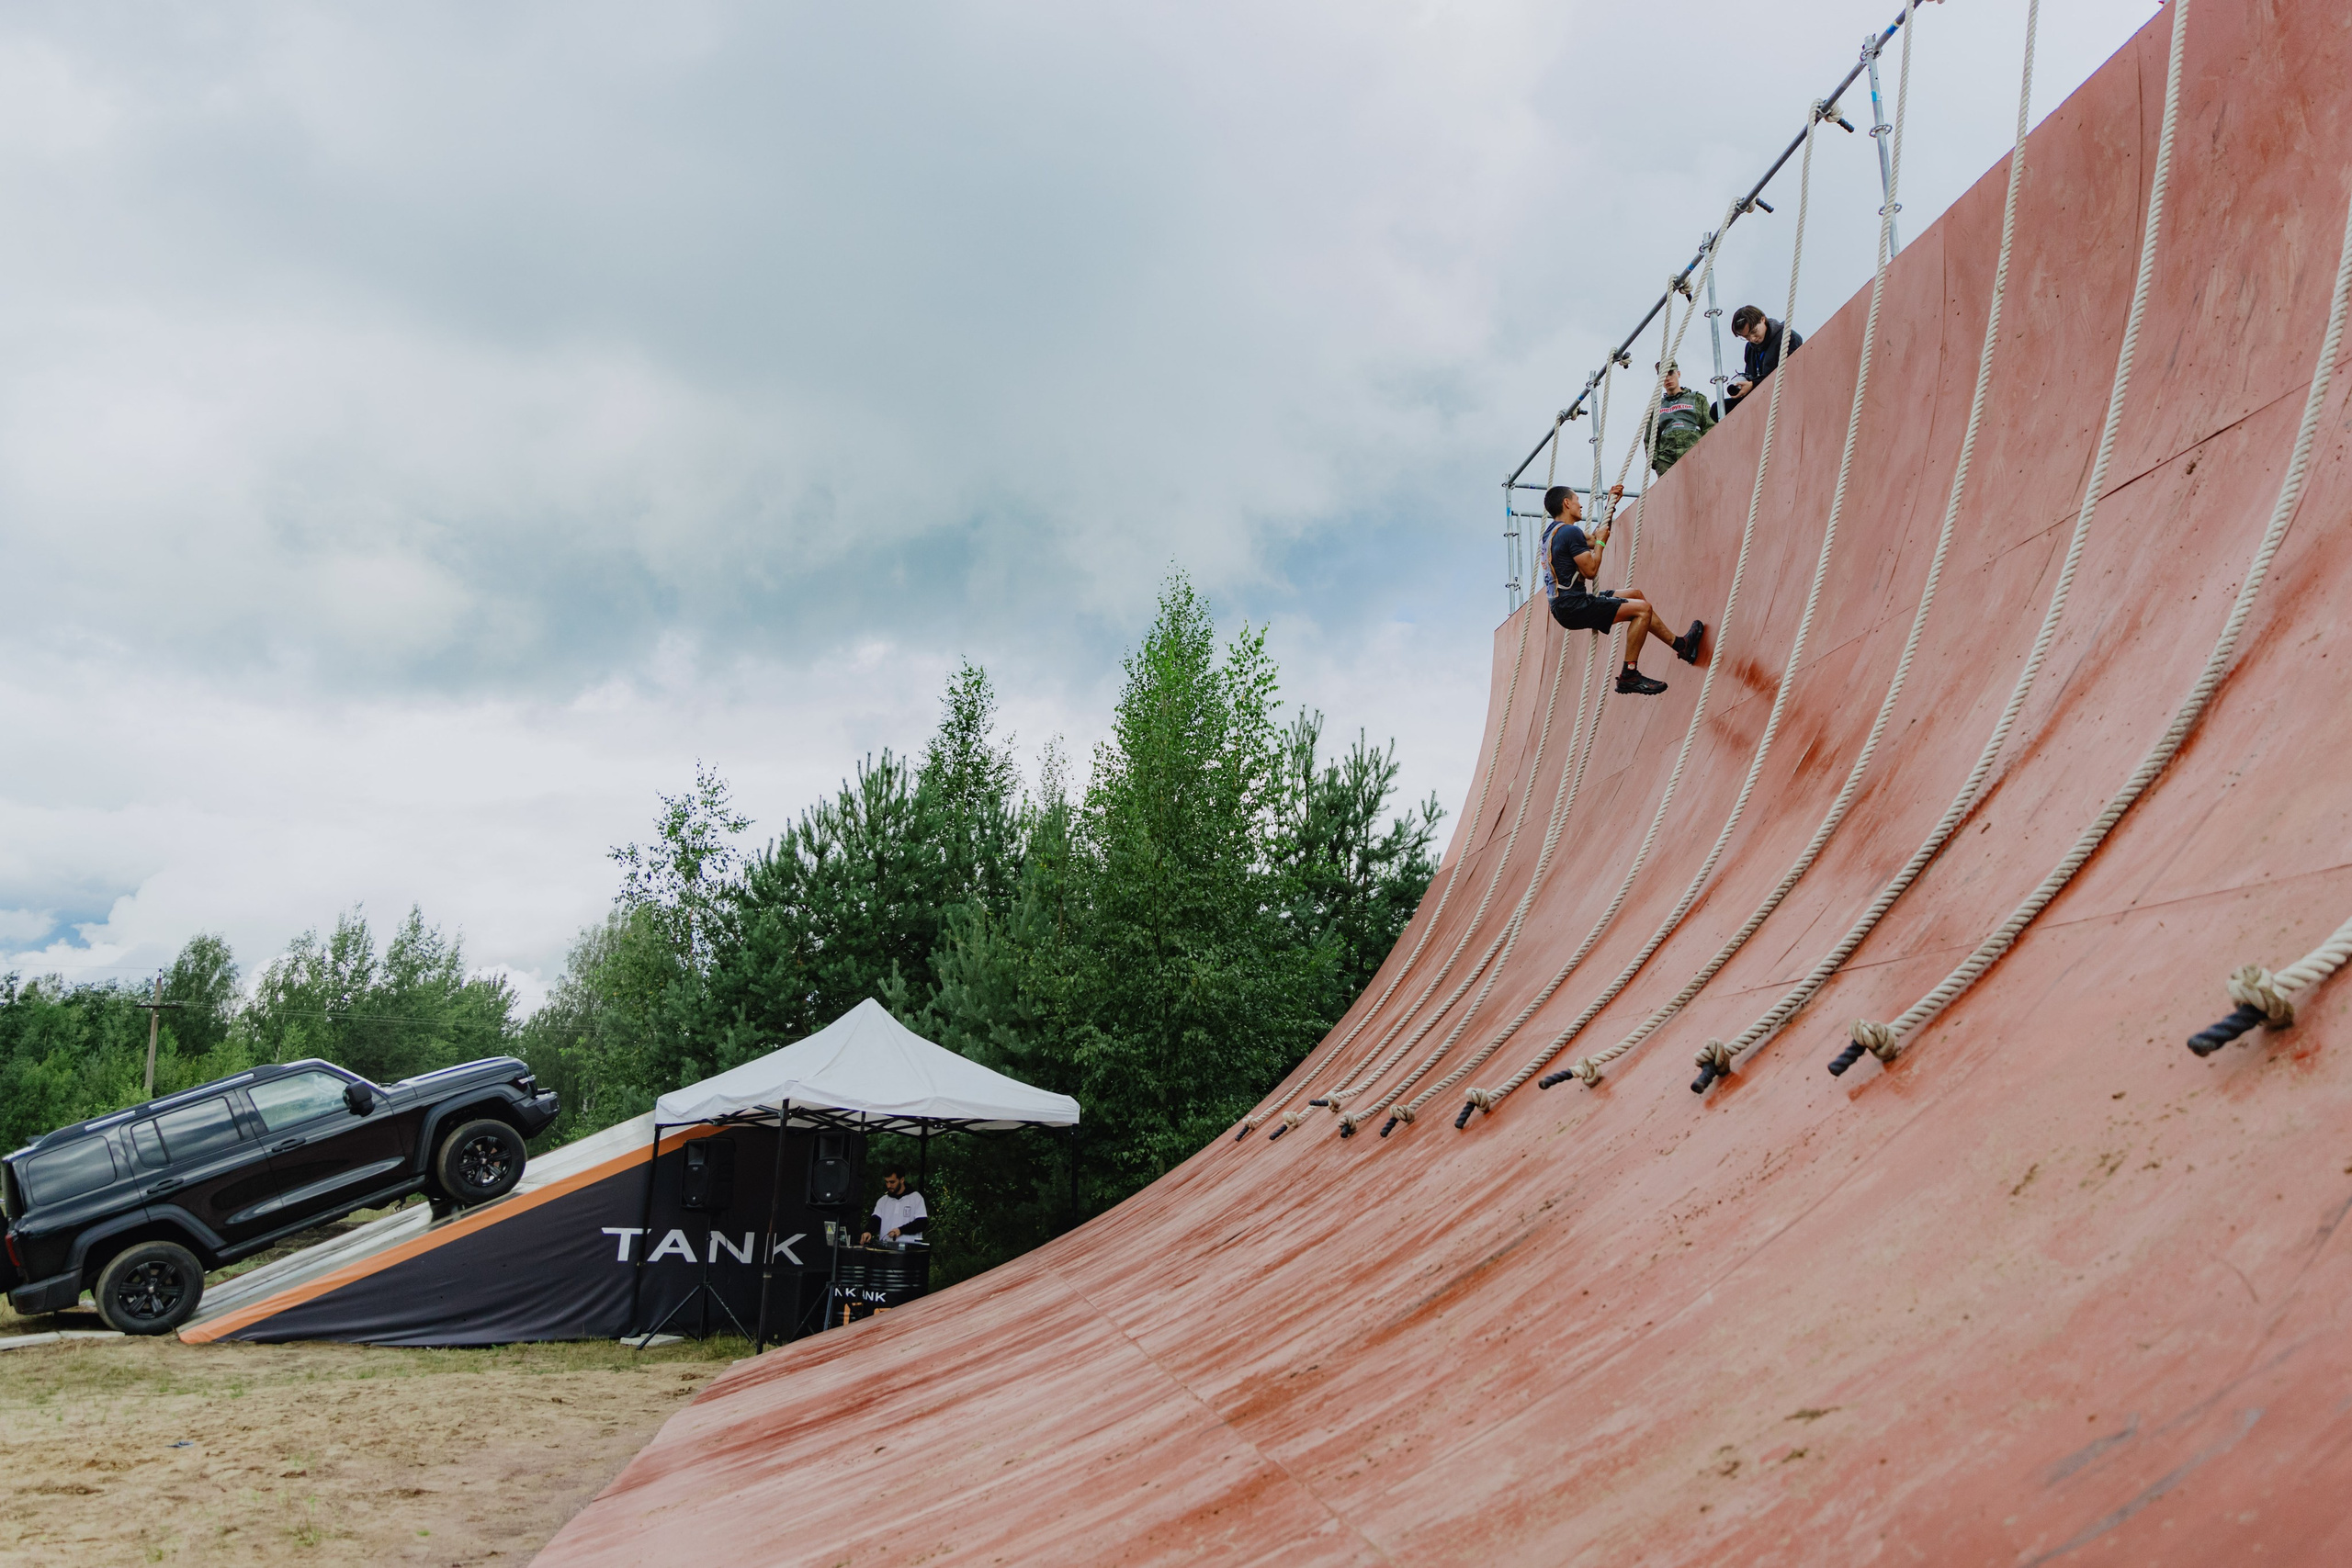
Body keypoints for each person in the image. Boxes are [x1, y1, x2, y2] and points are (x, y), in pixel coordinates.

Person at [1542, 484, 1705, 695]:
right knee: (1642, 609)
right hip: (1573, 606)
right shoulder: (1570, 532)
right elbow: (1591, 568)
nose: (1580, 505)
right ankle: (1630, 674)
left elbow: (1593, 539)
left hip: (1565, 605)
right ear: (1566, 503)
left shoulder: (1553, 534)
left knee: (1634, 595)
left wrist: (1611, 504)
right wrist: (1601, 542)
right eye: (1576, 500)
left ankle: (1682, 646)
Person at [1723, 305, 1804, 413]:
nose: (1752, 339)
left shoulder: (1789, 337)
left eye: (1754, 332)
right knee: (1718, 409)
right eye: (1746, 337)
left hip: (1782, 394)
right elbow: (1750, 374)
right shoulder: (1750, 348)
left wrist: (1753, 385)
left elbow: (1789, 374)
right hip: (1758, 396)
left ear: (1763, 319)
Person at [1645, 359, 1715, 474]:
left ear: (1678, 374)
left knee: (1698, 488)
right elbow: (1650, 437)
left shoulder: (1697, 399)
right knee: (1670, 491)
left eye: (1670, 373)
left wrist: (1707, 450)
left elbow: (1709, 426)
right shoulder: (1657, 406)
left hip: (1694, 451)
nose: (1667, 378)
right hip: (1666, 458)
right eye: (1663, 375)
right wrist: (1655, 461)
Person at [859, 1168, 928, 1247]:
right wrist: (868, 1231)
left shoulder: (916, 1198)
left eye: (892, 1182)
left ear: (902, 1180)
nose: (888, 1185)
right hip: (886, 1250)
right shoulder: (883, 1201)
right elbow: (875, 1220)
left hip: (909, 1251)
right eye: (886, 1182)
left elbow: (922, 1223)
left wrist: (901, 1230)